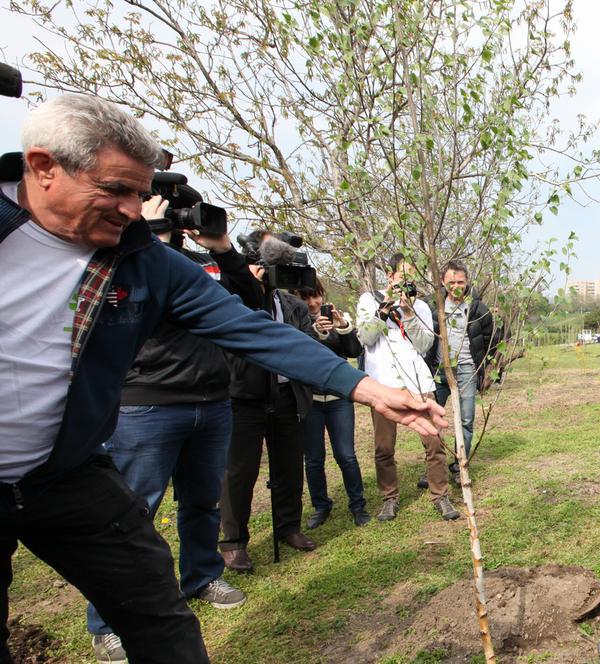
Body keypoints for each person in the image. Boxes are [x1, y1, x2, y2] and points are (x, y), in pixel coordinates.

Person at [0, 93, 443, 662]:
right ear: (43, 168)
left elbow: (251, 328)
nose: (133, 210)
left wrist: (368, 388)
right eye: (115, 190)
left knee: (158, 611)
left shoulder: (147, 263)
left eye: (140, 192)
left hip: (63, 472)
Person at [80, 194, 257, 662]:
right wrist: (150, 237)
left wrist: (223, 249)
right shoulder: (125, 253)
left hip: (212, 399)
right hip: (146, 402)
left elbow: (250, 303)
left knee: (202, 502)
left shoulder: (200, 262)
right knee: (130, 513)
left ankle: (201, 576)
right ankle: (107, 622)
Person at [218, 230, 329, 570]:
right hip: (245, 397)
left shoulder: (294, 305)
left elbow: (308, 346)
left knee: (289, 466)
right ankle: (234, 542)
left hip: (287, 396)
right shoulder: (233, 297)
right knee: (240, 470)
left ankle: (289, 527)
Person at [358, 255, 460, 521]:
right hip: (381, 384)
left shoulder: (421, 307)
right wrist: (386, 306)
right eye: (403, 276)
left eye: (413, 277)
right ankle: (389, 498)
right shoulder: (369, 299)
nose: (408, 282)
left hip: (418, 382)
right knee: (383, 448)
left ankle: (441, 496)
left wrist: (410, 313)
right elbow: (366, 337)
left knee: (434, 441)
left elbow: (425, 345)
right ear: (391, 276)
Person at [296, 279, 369, 529]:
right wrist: (317, 332)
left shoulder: (335, 315)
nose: (313, 303)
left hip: (338, 400)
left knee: (346, 455)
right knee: (314, 458)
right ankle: (321, 506)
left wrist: (344, 327)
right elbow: (304, 352)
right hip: (310, 401)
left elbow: (354, 351)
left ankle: (358, 505)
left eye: (316, 296)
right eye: (306, 297)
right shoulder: (296, 320)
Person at [426, 260, 495, 477]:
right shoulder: (432, 308)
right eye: (451, 282)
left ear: (467, 282)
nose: (456, 286)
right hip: (438, 370)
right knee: (431, 419)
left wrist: (485, 368)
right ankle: (434, 466)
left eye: (461, 282)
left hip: (466, 370)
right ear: (442, 282)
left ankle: (460, 464)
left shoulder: (478, 309)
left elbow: (491, 340)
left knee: (465, 419)